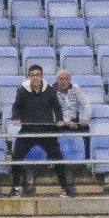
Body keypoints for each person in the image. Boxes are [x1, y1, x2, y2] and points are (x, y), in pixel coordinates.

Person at [8, 65, 75, 198]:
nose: (35, 77)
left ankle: (65, 189)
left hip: (46, 131)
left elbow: (57, 107)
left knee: (58, 158)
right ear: (29, 77)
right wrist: (16, 117)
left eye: (37, 75)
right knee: (16, 156)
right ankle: (15, 189)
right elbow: (16, 106)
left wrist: (60, 119)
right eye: (32, 75)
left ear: (42, 76)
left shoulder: (49, 90)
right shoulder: (22, 90)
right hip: (28, 131)